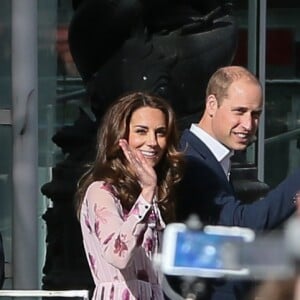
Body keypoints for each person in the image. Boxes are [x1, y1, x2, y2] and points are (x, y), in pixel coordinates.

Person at [176, 65, 300, 300]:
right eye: (239, 111)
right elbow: (240, 223)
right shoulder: (191, 160)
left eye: (255, 114)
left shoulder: (210, 156)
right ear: (212, 104)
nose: (248, 124)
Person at [75, 92, 184, 300]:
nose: (152, 142)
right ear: (120, 137)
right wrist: (147, 193)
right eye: (141, 131)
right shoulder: (101, 190)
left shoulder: (153, 194)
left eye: (160, 133)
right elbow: (119, 255)